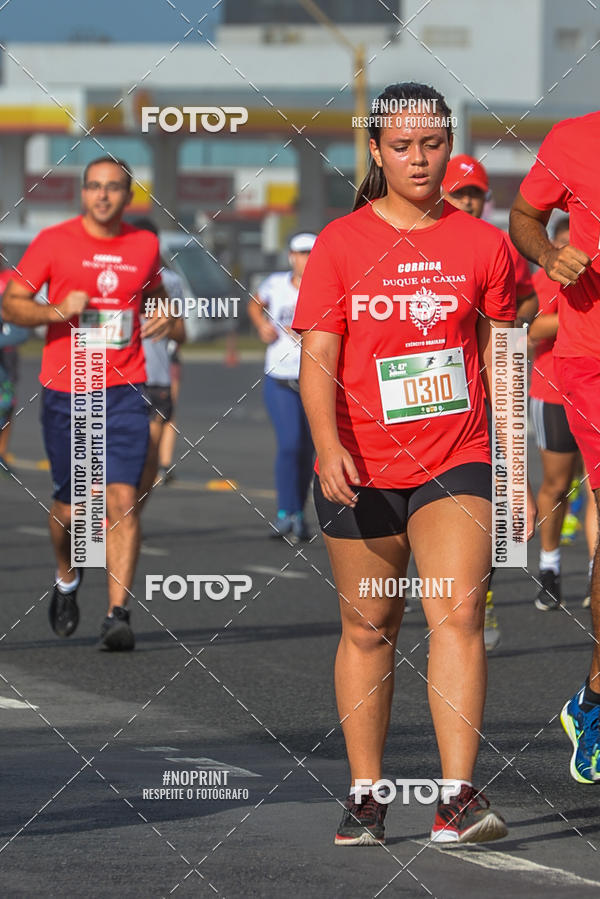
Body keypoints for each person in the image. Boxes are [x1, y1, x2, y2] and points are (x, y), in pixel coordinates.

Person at [293, 81, 535, 846]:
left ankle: (457, 796)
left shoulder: (483, 243)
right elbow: (318, 357)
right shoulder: (340, 243)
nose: (420, 159)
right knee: (370, 626)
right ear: (375, 151)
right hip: (360, 464)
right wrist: (328, 445)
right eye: (402, 146)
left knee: (458, 611)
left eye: (432, 144)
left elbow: (503, 356)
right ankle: (367, 793)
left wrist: (514, 468)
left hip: (455, 458)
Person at [1, 156, 171, 651]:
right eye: (94, 187)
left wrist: (163, 313)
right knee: (73, 510)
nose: (102, 195)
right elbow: (11, 302)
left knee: (121, 499)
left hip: (123, 387)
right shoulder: (54, 242)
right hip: (66, 386)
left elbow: (155, 292)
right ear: (83, 193)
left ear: (128, 195)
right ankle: (67, 578)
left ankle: (118, 614)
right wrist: (54, 309)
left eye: (113, 187)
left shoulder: (144, 245)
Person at [510, 111, 600, 783]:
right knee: (558, 487)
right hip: (592, 358)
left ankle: (592, 696)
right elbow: (524, 214)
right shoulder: (573, 138)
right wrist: (546, 252)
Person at [443, 154, 538, 650]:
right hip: (435, 390)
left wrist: (504, 328)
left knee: (496, 499)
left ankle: (484, 591)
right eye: (458, 194)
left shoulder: (500, 244)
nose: (467, 201)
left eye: (474, 193)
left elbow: (529, 299)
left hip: (492, 377)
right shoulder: (421, 241)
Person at [528, 216, 598, 611]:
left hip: (595, 394)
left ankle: (594, 574)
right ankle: (550, 567)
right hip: (553, 392)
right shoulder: (547, 279)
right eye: (565, 244)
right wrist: (583, 322)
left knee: (594, 489)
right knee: (556, 486)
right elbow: (534, 328)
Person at [248, 233, 316, 542]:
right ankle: (284, 512)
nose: (305, 258)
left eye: (311, 252)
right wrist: (262, 325)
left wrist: (308, 336)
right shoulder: (276, 283)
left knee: (307, 451)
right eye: (301, 252)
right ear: (291, 255)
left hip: (314, 378)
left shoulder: (326, 288)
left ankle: (298, 514)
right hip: (280, 377)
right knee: (289, 445)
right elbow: (254, 304)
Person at [131, 217, 186, 509]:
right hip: (115, 378)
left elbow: (181, 334)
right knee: (112, 459)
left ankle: (130, 518)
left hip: (155, 378)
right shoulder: (113, 276)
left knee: (146, 459)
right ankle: (106, 521)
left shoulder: (170, 281)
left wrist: (168, 319)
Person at [0, 260, 29, 473]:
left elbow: (21, 323)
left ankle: (1, 455)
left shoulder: (12, 279)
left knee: (7, 405)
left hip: (7, 359)